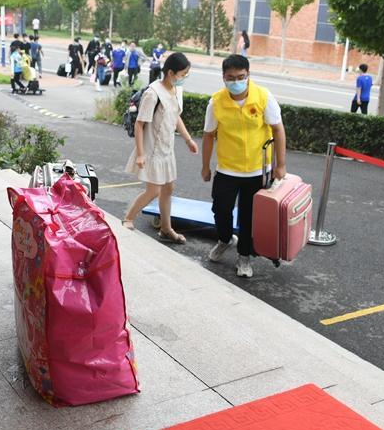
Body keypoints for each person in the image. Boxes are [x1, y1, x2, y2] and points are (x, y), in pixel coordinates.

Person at [201, 54, 286, 279]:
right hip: (227, 168)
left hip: (257, 170)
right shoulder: (216, 102)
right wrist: (205, 166)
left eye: (241, 77)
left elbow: (278, 130)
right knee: (221, 209)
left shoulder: (263, 97)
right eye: (231, 77)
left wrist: (280, 165)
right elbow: (208, 135)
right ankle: (225, 239)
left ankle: (244, 257)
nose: (236, 81)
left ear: (248, 76)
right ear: (223, 77)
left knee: (249, 217)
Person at [122, 53, 199, 243]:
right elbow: (140, 124)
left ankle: (166, 228)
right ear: (171, 72)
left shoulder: (174, 90)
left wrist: (188, 139)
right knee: (154, 190)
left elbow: (175, 116)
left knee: (168, 188)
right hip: (152, 150)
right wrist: (140, 154)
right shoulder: (153, 93)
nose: (185, 78)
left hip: (166, 149)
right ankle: (128, 218)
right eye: (183, 74)